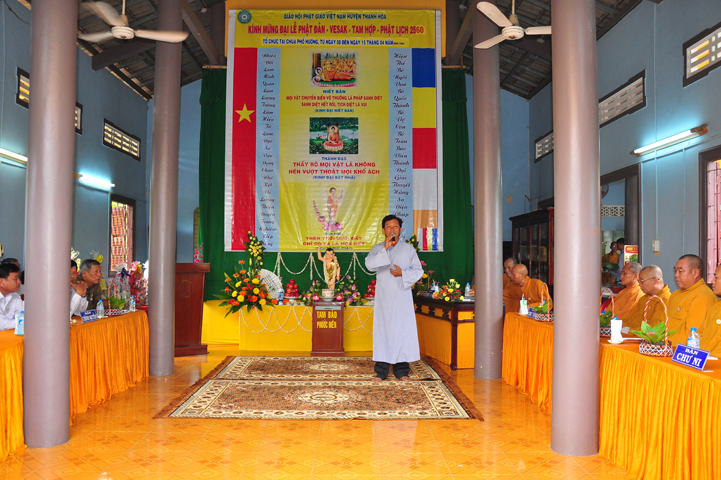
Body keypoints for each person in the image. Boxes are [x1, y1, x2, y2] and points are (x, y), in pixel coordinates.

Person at [365, 214, 423, 381]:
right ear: (383, 230)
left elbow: (418, 271)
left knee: (402, 331)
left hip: (402, 298)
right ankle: (381, 372)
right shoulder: (377, 248)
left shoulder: (408, 249)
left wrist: (402, 273)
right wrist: (385, 248)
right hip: (384, 299)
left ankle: (402, 371)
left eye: (395, 226)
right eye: (389, 227)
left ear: (400, 229)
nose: (392, 230)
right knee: (383, 331)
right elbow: (369, 265)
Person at [666, 254, 717, 346]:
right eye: (675, 271)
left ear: (695, 273)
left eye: (680, 271)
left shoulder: (703, 295)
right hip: (665, 348)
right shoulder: (675, 295)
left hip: (681, 351)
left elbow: (694, 334)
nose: (676, 275)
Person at [624, 265, 672, 331]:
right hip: (629, 334)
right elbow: (628, 319)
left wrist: (630, 331)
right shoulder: (643, 299)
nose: (639, 284)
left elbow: (653, 329)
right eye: (639, 281)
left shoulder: (665, 300)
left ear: (655, 281)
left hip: (641, 336)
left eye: (642, 281)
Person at [700, 265, 721, 356]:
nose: (712, 281)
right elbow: (702, 334)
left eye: (716, 277)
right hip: (706, 359)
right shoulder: (716, 307)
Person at [0, 262, 23, 330]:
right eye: (15, 278)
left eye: (18, 278)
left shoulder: (14, 296)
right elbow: (2, 325)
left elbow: (22, 316)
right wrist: (22, 322)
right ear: (1, 282)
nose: (19, 281)